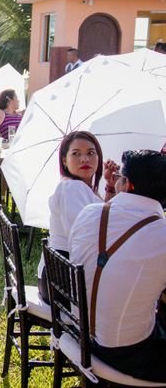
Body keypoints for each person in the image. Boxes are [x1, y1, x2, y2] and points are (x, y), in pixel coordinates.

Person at [70, 150, 166, 382]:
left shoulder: (88, 213)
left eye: (119, 175)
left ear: (128, 184)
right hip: (127, 354)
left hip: (77, 332)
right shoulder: (161, 234)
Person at [36, 131, 117, 303]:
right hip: (63, 280)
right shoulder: (72, 189)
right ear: (64, 161)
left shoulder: (81, 187)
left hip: (59, 274)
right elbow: (84, 238)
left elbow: (103, 217)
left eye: (90, 153)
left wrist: (110, 186)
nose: (84, 159)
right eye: (76, 154)